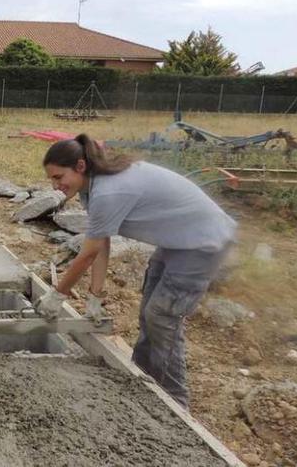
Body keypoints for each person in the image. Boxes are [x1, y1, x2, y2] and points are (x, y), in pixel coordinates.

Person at [39, 134, 236, 408]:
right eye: (52, 179)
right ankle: (141, 380)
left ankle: (175, 403)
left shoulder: (109, 191)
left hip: (203, 244)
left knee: (162, 317)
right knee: (149, 312)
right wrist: (94, 297)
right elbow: (102, 242)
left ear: (80, 166)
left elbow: (87, 254)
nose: (56, 185)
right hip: (178, 240)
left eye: (59, 177)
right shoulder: (91, 189)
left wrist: (57, 295)